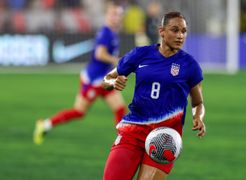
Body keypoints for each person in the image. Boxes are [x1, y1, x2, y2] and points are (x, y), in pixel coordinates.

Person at [102, 11, 206, 179]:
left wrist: (198, 117)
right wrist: (113, 83)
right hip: (132, 132)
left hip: (164, 139)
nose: (180, 36)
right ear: (161, 31)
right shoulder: (140, 54)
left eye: (184, 31)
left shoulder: (190, 65)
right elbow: (106, 79)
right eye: (175, 30)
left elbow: (198, 102)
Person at [33, 2, 126, 145]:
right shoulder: (105, 32)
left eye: (119, 14)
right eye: (114, 14)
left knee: (120, 108)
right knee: (79, 112)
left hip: (105, 80)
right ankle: (45, 124)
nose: (117, 17)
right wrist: (118, 61)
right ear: (107, 15)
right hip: (93, 81)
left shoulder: (113, 32)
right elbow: (100, 54)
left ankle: (123, 141)